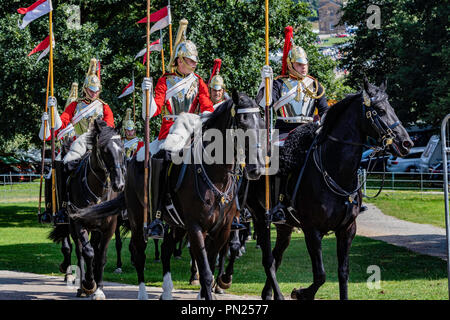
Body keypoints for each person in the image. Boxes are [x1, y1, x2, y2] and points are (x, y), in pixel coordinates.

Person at [141, 19, 214, 239]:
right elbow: (153, 111)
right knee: (159, 162)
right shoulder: (165, 80)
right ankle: (156, 214)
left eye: (195, 61)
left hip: (193, 130)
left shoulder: (199, 81)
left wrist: (205, 119)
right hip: (169, 132)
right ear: (180, 60)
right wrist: (148, 93)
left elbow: (207, 106)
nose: (194, 64)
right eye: (190, 61)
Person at [256, 26, 328, 224]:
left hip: (309, 130)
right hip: (285, 130)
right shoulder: (279, 83)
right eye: (299, 64)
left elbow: (324, 110)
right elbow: (264, 104)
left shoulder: (315, 84)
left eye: (305, 64)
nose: (304, 68)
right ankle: (278, 204)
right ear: (290, 64)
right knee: (279, 160)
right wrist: (266, 82)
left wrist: (324, 124)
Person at [44, 58, 115, 224]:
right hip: (79, 145)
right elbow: (61, 123)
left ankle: (120, 205)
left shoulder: (104, 106)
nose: (94, 93)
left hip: (97, 145)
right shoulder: (75, 105)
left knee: (117, 165)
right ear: (85, 89)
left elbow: (109, 127)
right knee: (62, 167)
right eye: (91, 90)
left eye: (96, 90)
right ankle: (62, 207)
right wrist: (52, 109)